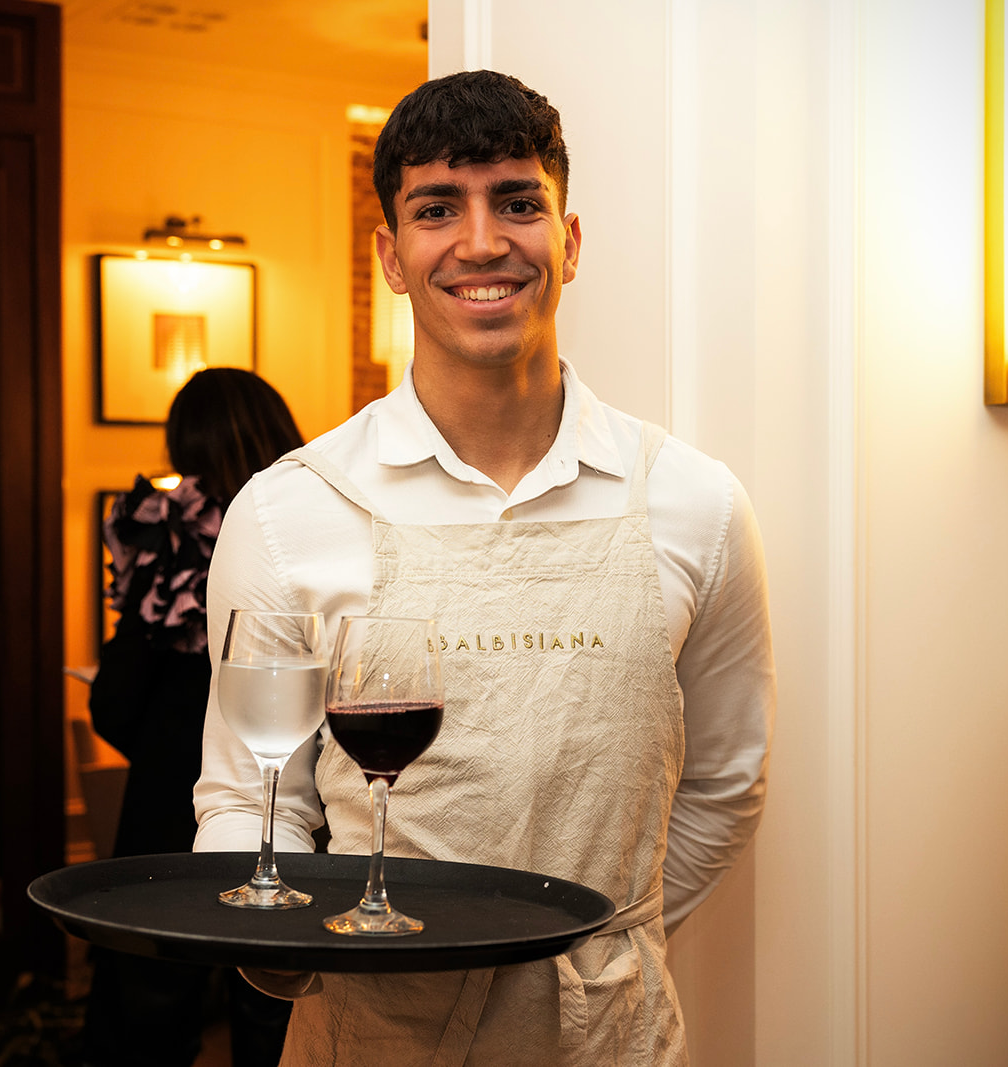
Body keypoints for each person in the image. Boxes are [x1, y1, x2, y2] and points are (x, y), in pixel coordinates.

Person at [193, 70, 774, 1066]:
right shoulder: (288, 511)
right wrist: (291, 954)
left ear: (571, 240)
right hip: (370, 1034)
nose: (480, 241)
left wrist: (593, 944)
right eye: (435, 208)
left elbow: (725, 781)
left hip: (611, 1038)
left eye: (517, 202)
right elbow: (252, 797)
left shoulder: (696, 503)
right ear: (389, 254)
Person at [83, 367, 304, 1067]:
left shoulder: (171, 530)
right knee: (281, 1005)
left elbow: (115, 701)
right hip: (300, 804)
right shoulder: (308, 523)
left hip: (166, 806)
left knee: (151, 1007)